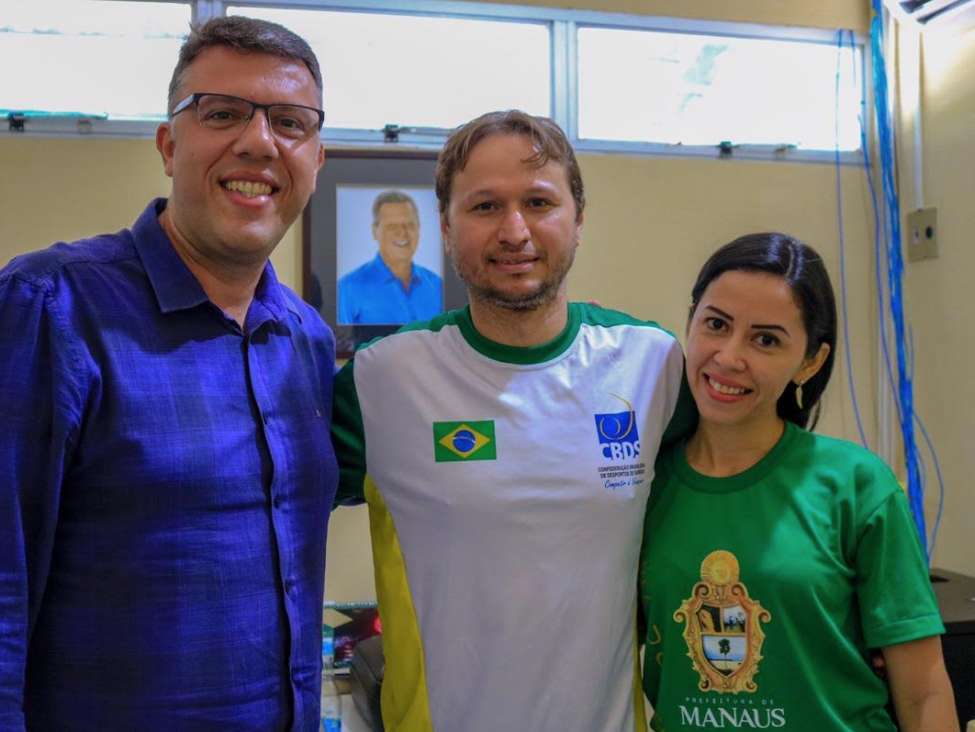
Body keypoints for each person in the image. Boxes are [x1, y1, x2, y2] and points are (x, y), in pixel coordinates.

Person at [0, 16, 338, 732]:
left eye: (289, 122)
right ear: (167, 144)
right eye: (221, 114)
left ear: (315, 158)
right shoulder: (50, 308)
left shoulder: (304, 338)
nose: (258, 141)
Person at [331, 110, 694, 732]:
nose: (515, 230)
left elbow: (735, 502)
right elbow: (262, 522)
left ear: (578, 221)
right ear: (446, 228)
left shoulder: (651, 364)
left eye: (539, 202)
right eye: (484, 207)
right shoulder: (380, 379)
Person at [639, 233, 958, 732]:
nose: (728, 356)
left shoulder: (855, 485)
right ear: (691, 320)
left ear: (810, 360)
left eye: (766, 339)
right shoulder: (641, 487)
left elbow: (924, 692)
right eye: (716, 324)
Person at [337, 190, 443, 324]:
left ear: (419, 229)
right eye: (392, 226)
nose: (402, 233)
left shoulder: (438, 285)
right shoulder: (347, 289)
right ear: (375, 231)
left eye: (409, 225)